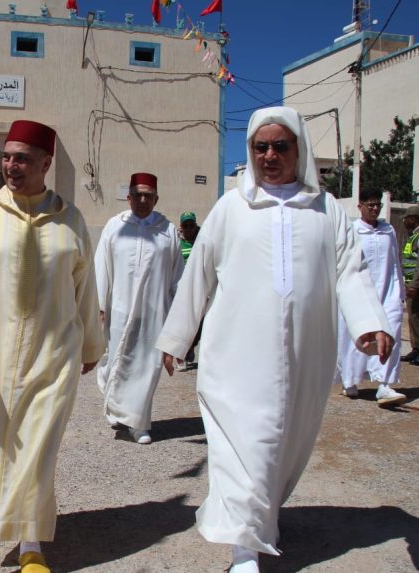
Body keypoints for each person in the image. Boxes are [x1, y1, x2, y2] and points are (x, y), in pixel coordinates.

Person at [155, 107, 393, 573]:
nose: (269, 155)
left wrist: (369, 323)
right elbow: (197, 275)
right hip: (237, 355)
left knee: (283, 446)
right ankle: (245, 549)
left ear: (298, 150)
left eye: (280, 146)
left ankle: (262, 518)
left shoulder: (326, 210)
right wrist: (176, 338)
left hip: (305, 355)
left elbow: (351, 271)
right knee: (248, 442)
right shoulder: (230, 208)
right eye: (260, 146)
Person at [0, 120, 104, 573]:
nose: (11, 166)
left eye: (22, 158)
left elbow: (85, 289)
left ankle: (31, 544)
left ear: (46, 164)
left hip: (52, 356)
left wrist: (90, 345)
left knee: (37, 449)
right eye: (7, 157)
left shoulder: (70, 219)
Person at [94, 172, 183, 444]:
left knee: (147, 368)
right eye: (138, 195)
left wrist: (179, 318)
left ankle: (138, 423)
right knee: (116, 362)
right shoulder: (115, 226)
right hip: (119, 311)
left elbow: (177, 276)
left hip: (154, 313)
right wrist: (99, 306)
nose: (143, 200)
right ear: (129, 198)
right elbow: (101, 266)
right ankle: (118, 409)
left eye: (148, 195)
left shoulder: (167, 231)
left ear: (156, 199)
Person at [336, 189, 407, 406]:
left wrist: (399, 292)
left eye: (378, 205)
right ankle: (350, 380)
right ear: (360, 207)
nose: (375, 209)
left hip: (388, 293)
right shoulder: (353, 230)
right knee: (355, 337)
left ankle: (384, 385)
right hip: (360, 294)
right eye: (370, 205)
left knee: (391, 333)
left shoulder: (388, 231)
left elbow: (394, 262)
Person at [177, 211, 202, 369]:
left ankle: (191, 346)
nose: (188, 229)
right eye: (185, 226)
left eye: (191, 225)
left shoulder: (203, 240)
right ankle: (182, 355)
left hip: (200, 288)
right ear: (181, 227)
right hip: (183, 290)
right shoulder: (177, 244)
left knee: (199, 323)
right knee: (183, 323)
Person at [401, 205, 419, 363]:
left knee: (416, 317)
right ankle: (415, 349)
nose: (404, 221)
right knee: (413, 317)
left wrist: (414, 284)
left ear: (413, 219)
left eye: (406, 219)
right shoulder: (412, 236)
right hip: (410, 284)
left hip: (415, 286)